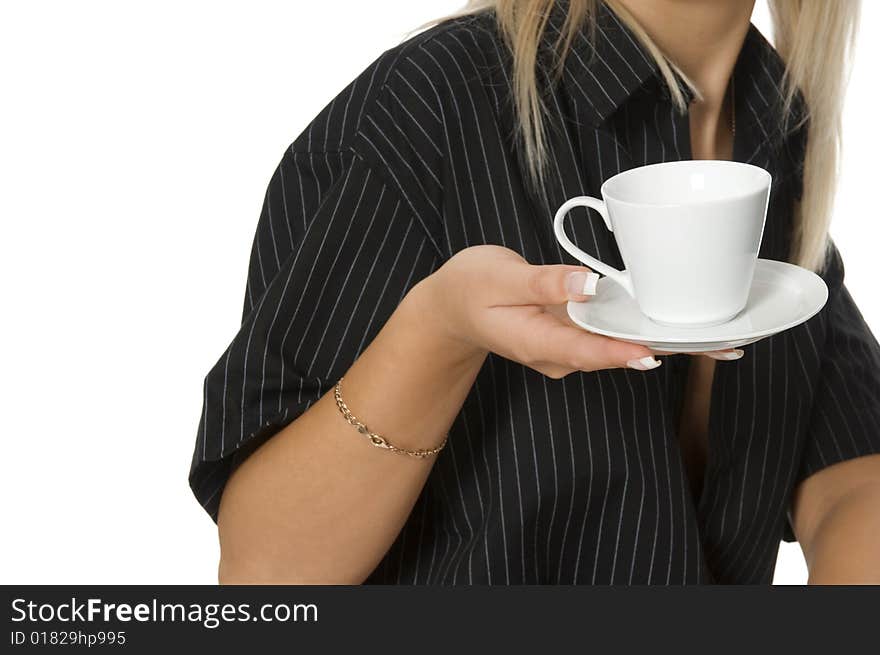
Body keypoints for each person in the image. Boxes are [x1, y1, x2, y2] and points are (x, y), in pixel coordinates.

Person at [189, 0, 880, 584]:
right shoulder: (431, 107)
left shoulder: (778, 133)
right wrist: (440, 334)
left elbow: (850, 480)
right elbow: (263, 572)